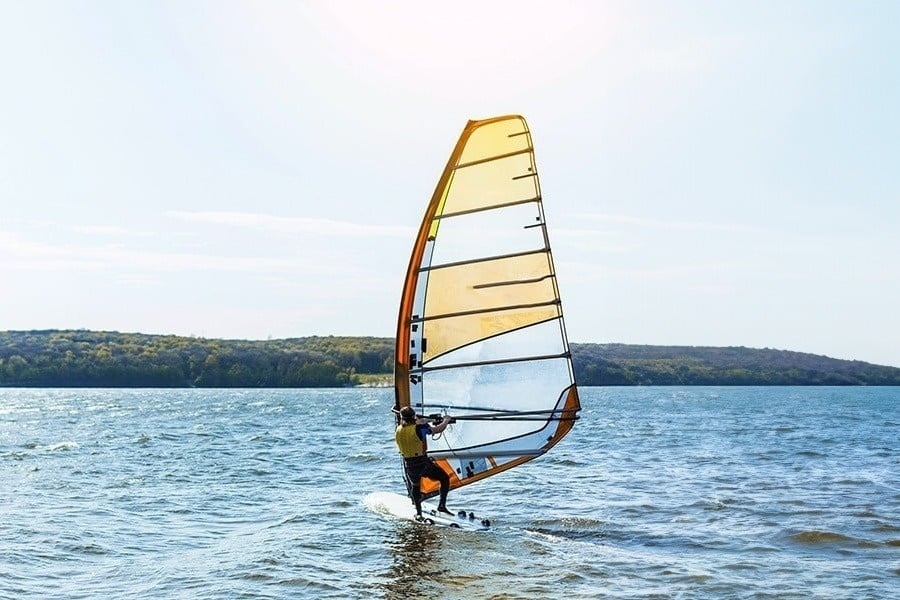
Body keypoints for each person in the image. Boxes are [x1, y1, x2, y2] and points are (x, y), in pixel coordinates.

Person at [395, 406, 453, 519]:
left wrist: (426, 421)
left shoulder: (398, 430)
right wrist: (446, 420)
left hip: (409, 464)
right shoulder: (420, 428)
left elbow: (413, 425)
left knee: (415, 486)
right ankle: (441, 506)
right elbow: (438, 429)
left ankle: (418, 513)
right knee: (444, 478)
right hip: (422, 463)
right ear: (414, 416)